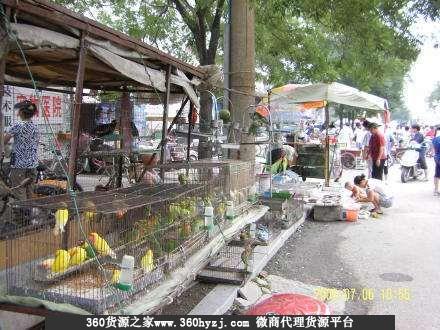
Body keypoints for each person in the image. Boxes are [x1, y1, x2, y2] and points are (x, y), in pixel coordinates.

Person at [4, 100, 40, 200]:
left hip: (19, 164)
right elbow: (35, 142)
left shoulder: (18, 126)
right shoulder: (36, 127)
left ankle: (21, 214)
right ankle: (29, 213)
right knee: (29, 191)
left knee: (19, 191)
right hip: (33, 164)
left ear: (21, 112)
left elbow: (4, 140)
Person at [432, 127, 440, 196]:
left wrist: (435, 157)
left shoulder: (434, 139)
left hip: (437, 158)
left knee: (437, 174)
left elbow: (433, 151)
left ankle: (436, 190)